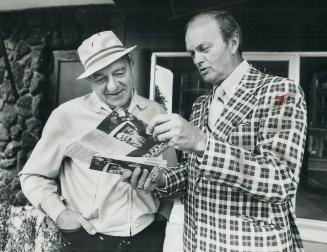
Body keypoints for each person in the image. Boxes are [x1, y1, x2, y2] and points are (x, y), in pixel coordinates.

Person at [124, 11, 307, 252]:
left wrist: (202, 142)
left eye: (204, 48)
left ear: (233, 42)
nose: (197, 59)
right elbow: (194, 175)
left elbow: (281, 181)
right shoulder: (201, 105)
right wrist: (159, 178)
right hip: (197, 244)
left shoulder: (280, 92)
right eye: (192, 53)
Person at [19, 31, 176, 252]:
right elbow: (33, 175)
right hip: (89, 239)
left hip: (148, 237)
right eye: (100, 78)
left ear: (131, 65)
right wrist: (60, 214)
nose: (112, 86)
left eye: (119, 72)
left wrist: (163, 215)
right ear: (90, 80)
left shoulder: (156, 111)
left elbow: (173, 173)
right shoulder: (66, 116)